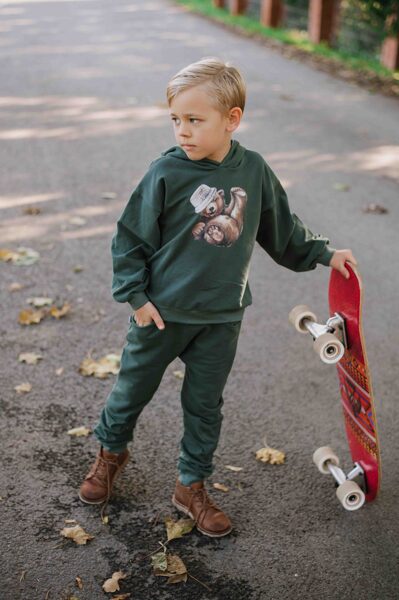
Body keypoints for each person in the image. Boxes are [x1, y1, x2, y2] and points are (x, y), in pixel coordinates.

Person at [78, 57, 357, 537]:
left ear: (232, 119)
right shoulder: (165, 172)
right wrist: (136, 298)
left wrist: (325, 254)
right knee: (130, 393)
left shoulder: (254, 171)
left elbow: (282, 231)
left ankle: (192, 485)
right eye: (176, 120)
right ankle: (110, 454)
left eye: (194, 120)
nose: (182, 131)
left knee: (205, 405)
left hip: (222, 317)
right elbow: (130, 239)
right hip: (160, 315)